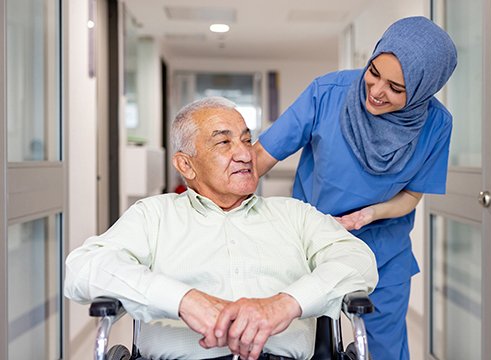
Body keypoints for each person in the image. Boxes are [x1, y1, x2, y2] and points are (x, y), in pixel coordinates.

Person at [64, 97, 378, 360]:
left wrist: (285, 304)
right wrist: (183, 300)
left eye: (246, 140)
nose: (245, 153)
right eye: (224, 142)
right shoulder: (153, 216)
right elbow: (81, 270)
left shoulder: (294, 215)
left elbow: (358, 261)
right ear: (186, 164)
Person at [254, 16, 457, 360]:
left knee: (384, 350)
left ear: (424, 88)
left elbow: (411, 196)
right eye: (374, 72)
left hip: (383, 250)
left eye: (396, 88)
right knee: (303, 344)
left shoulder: (436, 124)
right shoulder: (326, 94)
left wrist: (371, 214)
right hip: (310, 244)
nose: (377, 91)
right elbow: (261, 156)